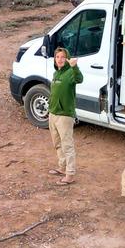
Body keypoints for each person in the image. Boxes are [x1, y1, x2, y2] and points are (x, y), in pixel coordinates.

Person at [48, 47, 83, 185]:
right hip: (53, 114)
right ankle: (62, 167)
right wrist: (50, 109)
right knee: (57, 143)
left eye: (63, 57)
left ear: (67, 58)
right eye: (57, 57)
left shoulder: (70, 72)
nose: (60, 60)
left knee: (67, 145)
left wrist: (75, 67)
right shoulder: (56, 73)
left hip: (64, 116)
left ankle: (70, 174)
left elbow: (79, 79)